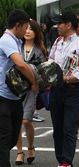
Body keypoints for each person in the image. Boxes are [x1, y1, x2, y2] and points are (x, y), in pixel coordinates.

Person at [49, 11, 79, 167]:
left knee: (69, 128)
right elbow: (51, 60)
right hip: (56, 89)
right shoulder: (57, 42)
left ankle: (67, 161)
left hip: (73, 90)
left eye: (60, 23)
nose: (57, 26)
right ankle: (60, 159)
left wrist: (68, 78)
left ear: (68, 25)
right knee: (57, 127)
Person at [0, 9, 38, 166]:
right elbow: (21, 65)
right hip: (2, 97)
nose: (27, 30)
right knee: (5, 137)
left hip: (15, 97)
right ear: (18, 25)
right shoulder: (6, 40)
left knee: (12, 136)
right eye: (26, 27)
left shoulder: (17, 41)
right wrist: (34, 82)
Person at [15, 19, 47, 165]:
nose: (27, 31)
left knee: (26, 120)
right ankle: (20, 152)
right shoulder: (16, 46)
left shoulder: (40, 51)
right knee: (16, 121)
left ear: (36, 33)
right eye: (25, 29)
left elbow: (43, 72)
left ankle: (31, 147)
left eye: (31, 29)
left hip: (32, 90)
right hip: (15, 88)